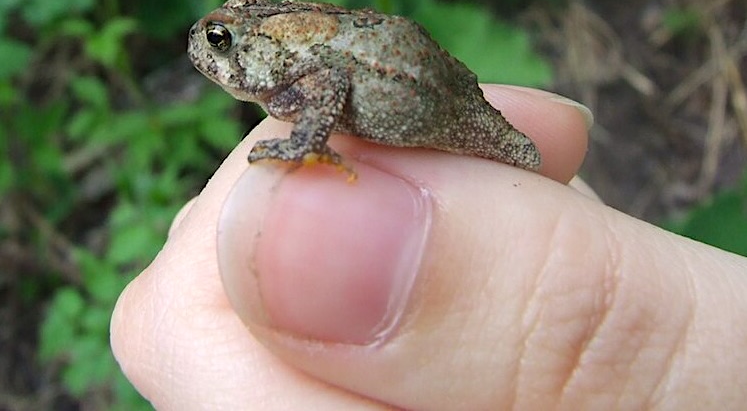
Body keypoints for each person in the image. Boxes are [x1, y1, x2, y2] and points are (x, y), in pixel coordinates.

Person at [110, 86, 747, 410]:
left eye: (224, 43)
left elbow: (329, 83)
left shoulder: (304, 70)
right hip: (426, 95)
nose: (211, 50)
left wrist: (306, 141)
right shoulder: (297, 67)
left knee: (519, 162)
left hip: (423, 96)